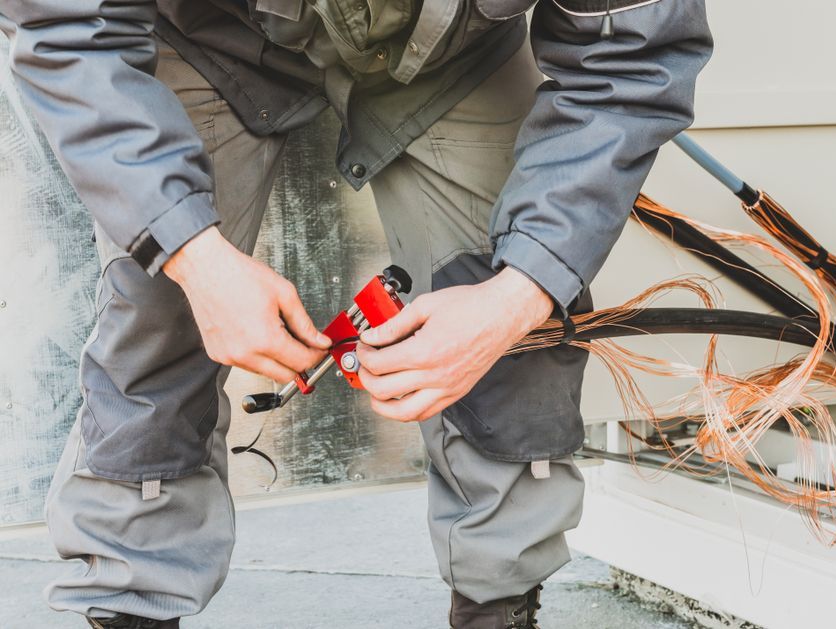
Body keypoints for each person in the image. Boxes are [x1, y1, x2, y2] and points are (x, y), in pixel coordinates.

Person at [0, 1, 712, 627]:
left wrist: (513, 298)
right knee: (158, 311)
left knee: (509, 319)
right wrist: (194, 257)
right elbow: (67, 24)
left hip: (447, 62)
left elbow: (634, 57)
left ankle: (499, 599)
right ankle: (131, 607)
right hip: (215, 38)